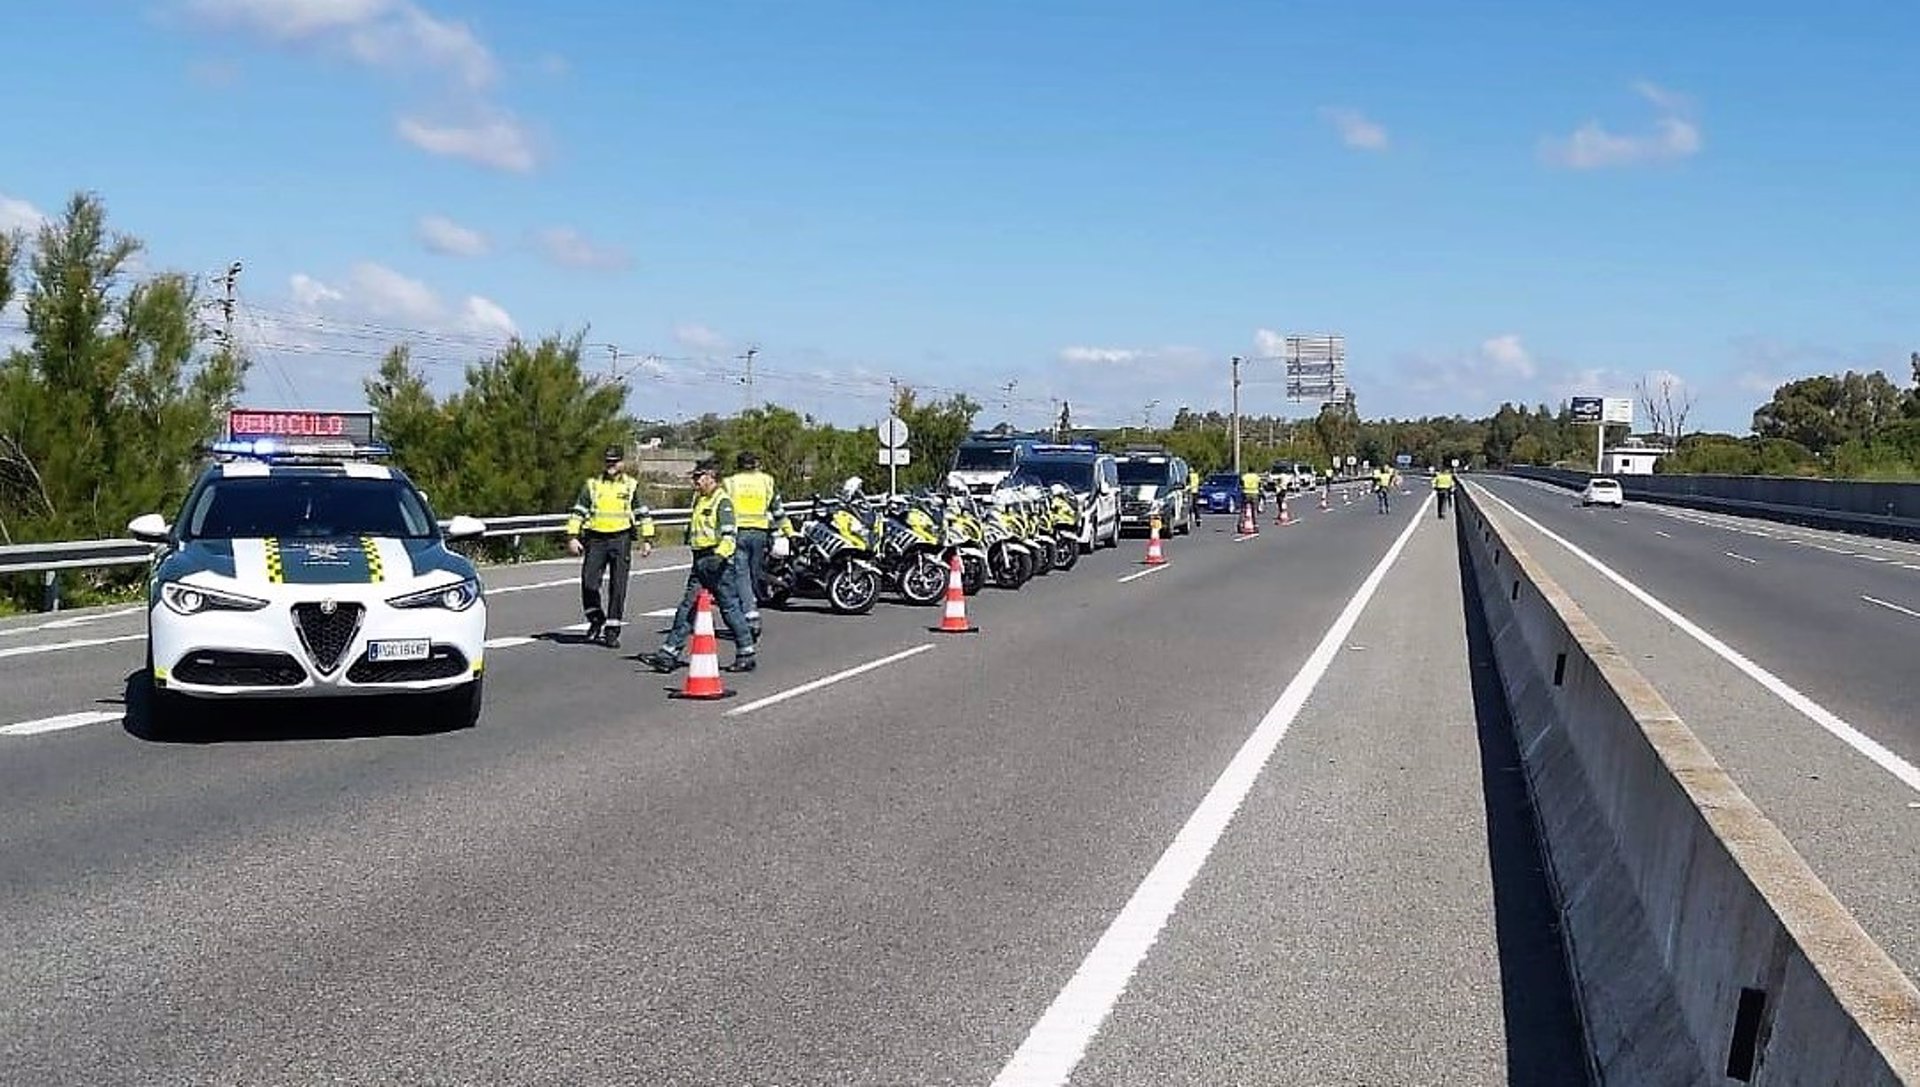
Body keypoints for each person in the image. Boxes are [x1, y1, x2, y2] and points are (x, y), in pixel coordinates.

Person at [641, 460, 756, 673]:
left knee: (729, 608)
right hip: (700, 561)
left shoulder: (722, 502)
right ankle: (668, 654)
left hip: (717, 562)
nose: (694, 481)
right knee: (688, 607)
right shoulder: (700, 500)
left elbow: (730, 535)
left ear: (711, 477)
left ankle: (746, 653)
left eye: (698, 477)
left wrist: (719, 558)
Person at [565, 445, 655, 647]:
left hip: (621, 539)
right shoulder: (593, 485)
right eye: (608, 461)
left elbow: (642, 513)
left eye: (615, 461)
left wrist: (647, 539)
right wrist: (572, 536)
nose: (611, 465)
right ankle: (596, 618)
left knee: (618, 587)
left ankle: (612, 630)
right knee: (589, 583)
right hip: (595, 539)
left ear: (622, 462)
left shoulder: (631, 485)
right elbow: (578, 511)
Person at [723, 451, 783, 638]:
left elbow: (722, 508)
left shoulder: (730, 482)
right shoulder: (767, 481)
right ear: (756, 464)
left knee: (742, 576)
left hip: (738, 533)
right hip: (760, 533)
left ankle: (751, 616)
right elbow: (777, 509)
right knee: (754, 573)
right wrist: (784, 531)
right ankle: (752, 607)